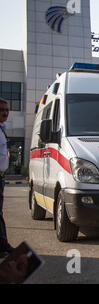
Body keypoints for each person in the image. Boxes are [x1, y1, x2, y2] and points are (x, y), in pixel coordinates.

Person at [0, 99, 13, 258]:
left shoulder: (2, 129)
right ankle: (3, 246)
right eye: (2, 110)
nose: (5, 112)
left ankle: (3, 246)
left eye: (7, 110)